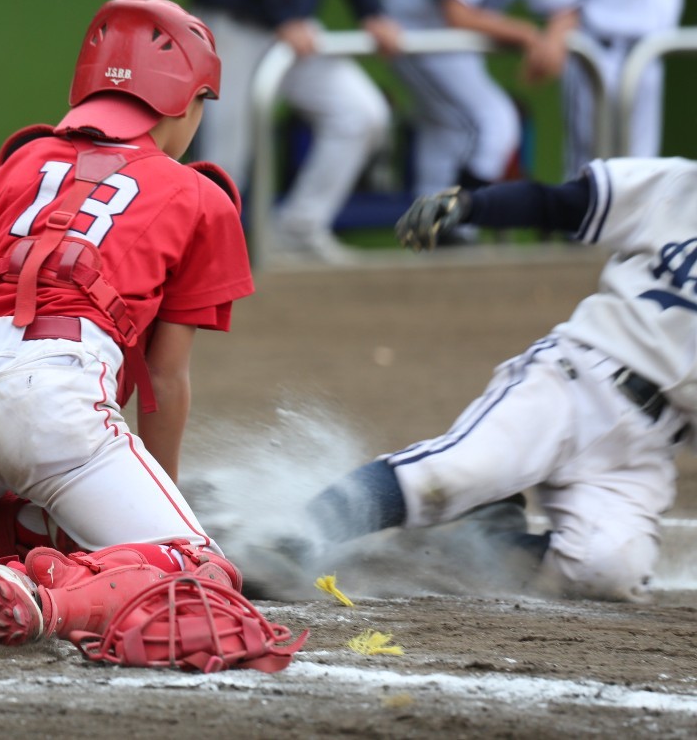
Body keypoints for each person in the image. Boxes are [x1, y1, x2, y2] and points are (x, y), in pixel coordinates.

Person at [0, 0, 305, 672]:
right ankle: (46, 602)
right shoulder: (199, 194)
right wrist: (161, 500)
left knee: (41, 487)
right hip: (51, 402)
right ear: (179, 103)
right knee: (200, 575)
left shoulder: (21, 158)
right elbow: (165, 381)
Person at [280, 161, 695, 603]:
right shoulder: (676, 186)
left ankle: (477, 538)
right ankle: (289, 537)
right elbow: (557, 203)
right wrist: (472, 205)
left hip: (647, 446)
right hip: (577, 377)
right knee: (454, 472)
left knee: (609, 570)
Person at [189, 0, 400, 264]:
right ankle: (202, 263)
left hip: (293, 29)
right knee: (225, 159)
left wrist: (371, 9)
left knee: (362, 113)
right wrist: (283, 12)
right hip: (234, 23)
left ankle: (297, 232)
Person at [383, 0, 579, 200]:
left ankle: (431, 232)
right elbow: (456, 14)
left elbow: (567, 8)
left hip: (457, 48)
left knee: (447, 131)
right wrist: (529, 34)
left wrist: (552, 42)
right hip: (415, 37)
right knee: (493, 122)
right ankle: (458, 222)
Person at [562, 0, 682, 178]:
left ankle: (629, 226)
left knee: (642, 164)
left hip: (649, 56)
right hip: (601, 55)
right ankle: (580, 225)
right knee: (590, 164)